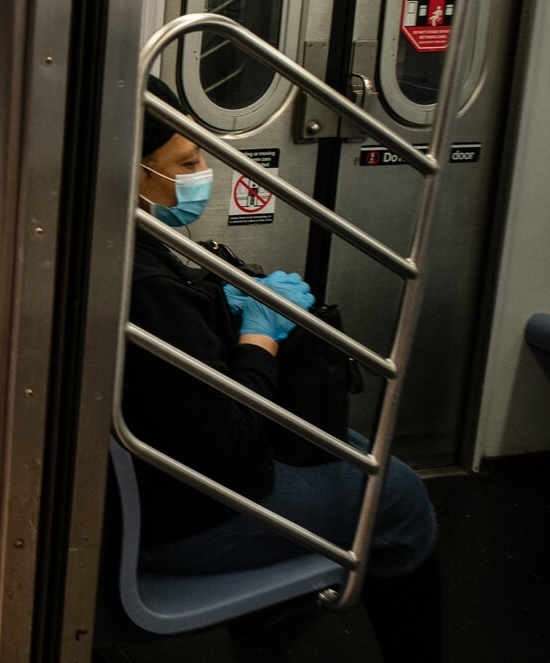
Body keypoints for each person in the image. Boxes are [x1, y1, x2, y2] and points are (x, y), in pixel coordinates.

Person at [124, 75, 442, 662]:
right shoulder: (146, 286)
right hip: (186, 519)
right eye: (186, 160)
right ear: (134, 172)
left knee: (346, 447)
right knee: (398, 496)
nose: (201, 173)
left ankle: (271, 617)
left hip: (161, 488)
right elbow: (230, 448)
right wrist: (258, 335)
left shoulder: (119, 244)